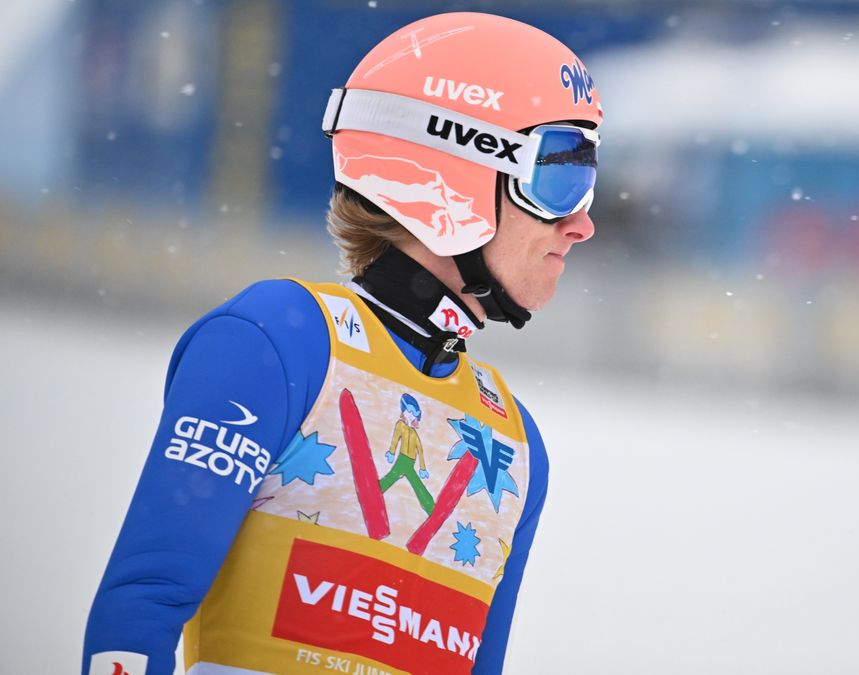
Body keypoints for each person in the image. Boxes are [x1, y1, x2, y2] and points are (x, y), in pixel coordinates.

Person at [83, 11, 601, 675]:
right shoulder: (278, 341)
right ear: (451, 174)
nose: (582, 223)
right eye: (559, 176)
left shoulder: (514, 442)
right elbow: (142, 608)